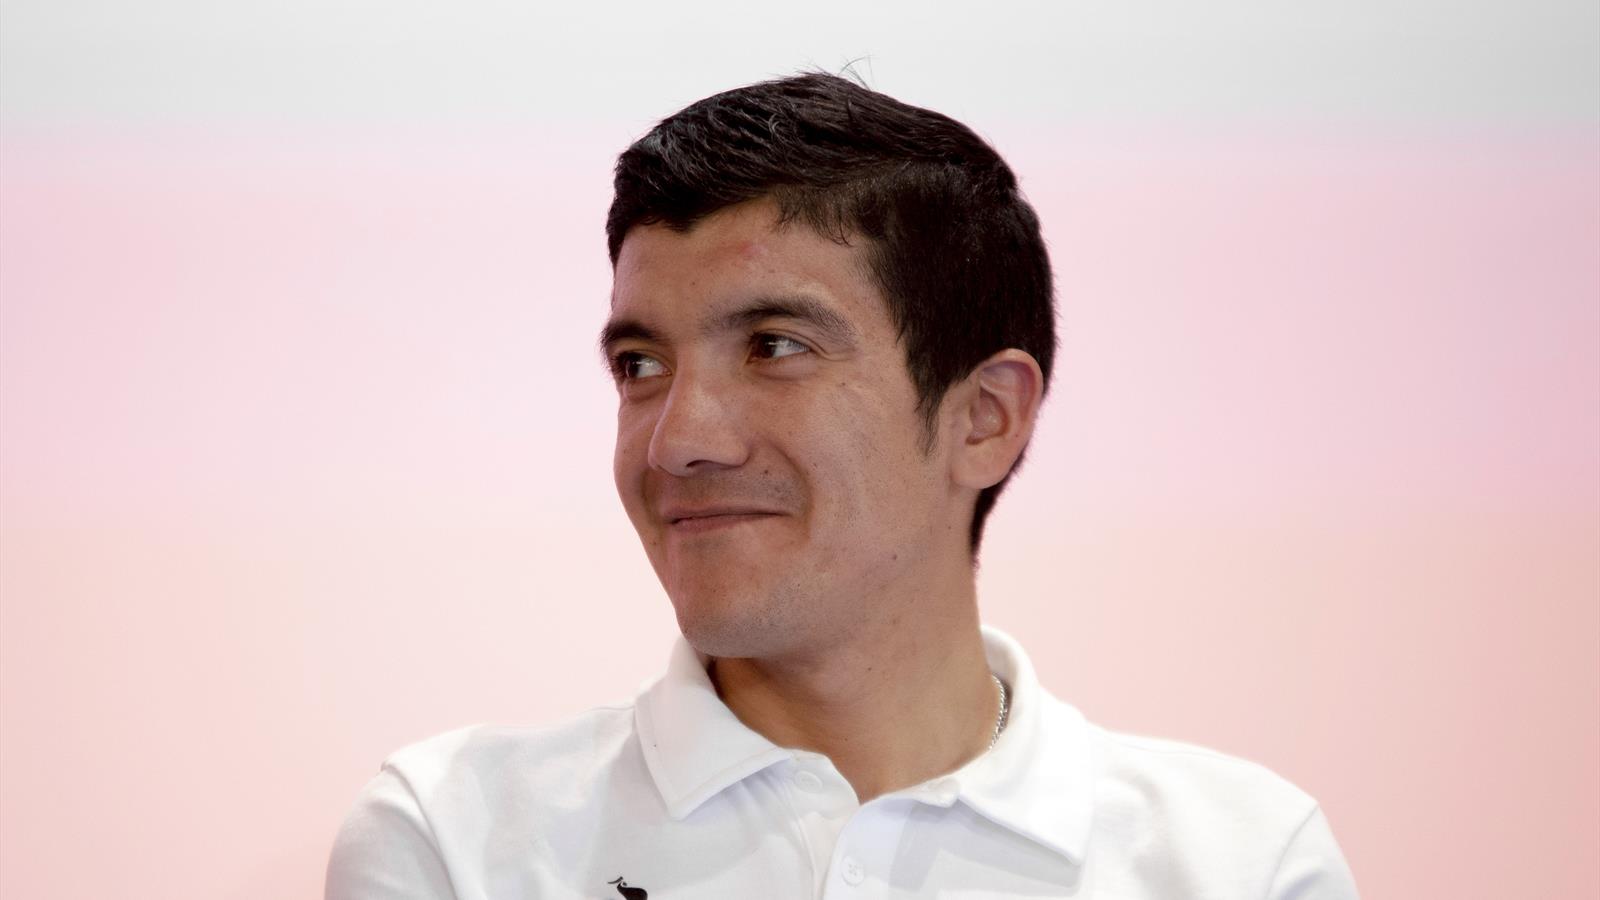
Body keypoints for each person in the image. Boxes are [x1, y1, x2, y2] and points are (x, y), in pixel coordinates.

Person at [326, 72, 1360, 899]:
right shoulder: (458, 839)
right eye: (640, 365)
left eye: (774, 347)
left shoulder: (1239, 863)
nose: (677, 442)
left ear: (984, 418)